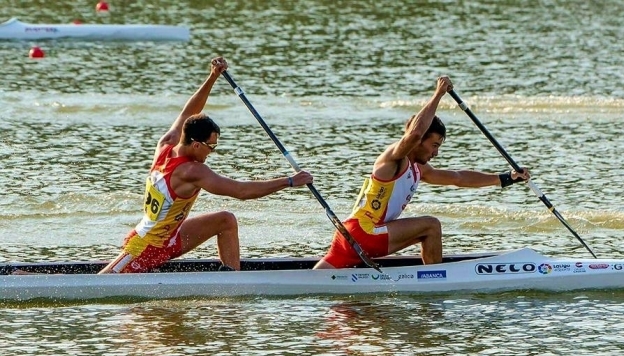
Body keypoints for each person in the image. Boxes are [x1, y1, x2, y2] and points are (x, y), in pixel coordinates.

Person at [99, 56, 313, 274]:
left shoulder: (167, 143)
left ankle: (232, 282)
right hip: (146, 246)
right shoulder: (192, 171)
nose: (212, 152)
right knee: (102, 285)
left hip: (171, 237)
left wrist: (213, 77)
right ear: (195, 144)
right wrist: (289, 181)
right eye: (211, 147)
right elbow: (241, 191)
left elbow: (187, 113)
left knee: (226, 221)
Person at [313, 76, 530, 269]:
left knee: (316, 280)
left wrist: (506, 178)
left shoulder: (419, 169)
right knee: (431, 226)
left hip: (348, 234)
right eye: (434, 145)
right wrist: (438, 94)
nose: (436, 152)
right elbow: (415, 133)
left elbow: (458, 178)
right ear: (419, 142)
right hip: (366, 233)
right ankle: (437, 277)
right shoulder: (393, 160)